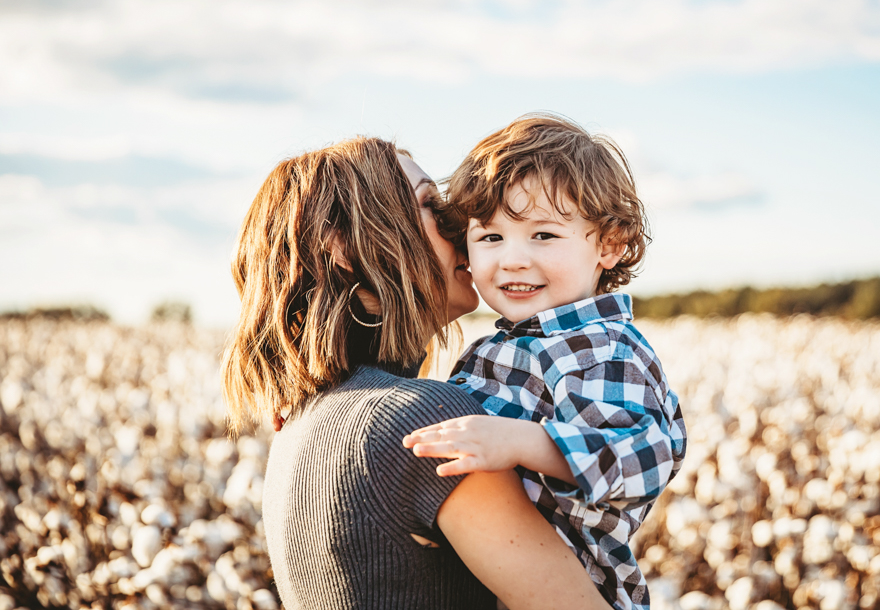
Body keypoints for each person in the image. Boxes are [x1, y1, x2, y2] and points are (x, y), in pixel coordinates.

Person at [220, 137, 611, 610]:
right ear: (344, 246)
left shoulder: (303, 422)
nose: (462, 222)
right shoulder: (423, 418)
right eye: (431, 204)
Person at [403, 115, 687, 610]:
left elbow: (643, 457)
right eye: (491, 238)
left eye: (543, 236)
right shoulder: (508, 344)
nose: (512, 259)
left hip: (576, 586)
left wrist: (522, 442)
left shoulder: (603, 347)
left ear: (610, 244)